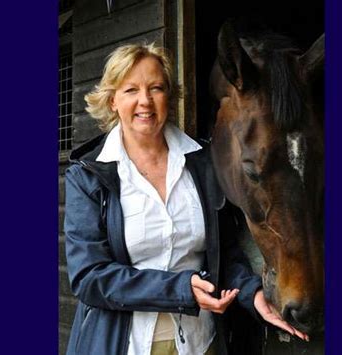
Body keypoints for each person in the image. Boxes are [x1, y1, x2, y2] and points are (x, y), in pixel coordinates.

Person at [64, 43, 307, 355]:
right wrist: (181, 290)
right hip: (125, 344)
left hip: (198, 341)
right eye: (130, 90)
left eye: (156, 88)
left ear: (170, 95)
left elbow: (224, 254)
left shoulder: (201, 163)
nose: (145, 101)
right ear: (112, 100)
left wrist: (254, 294)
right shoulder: (88, 175)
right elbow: (89, 277)